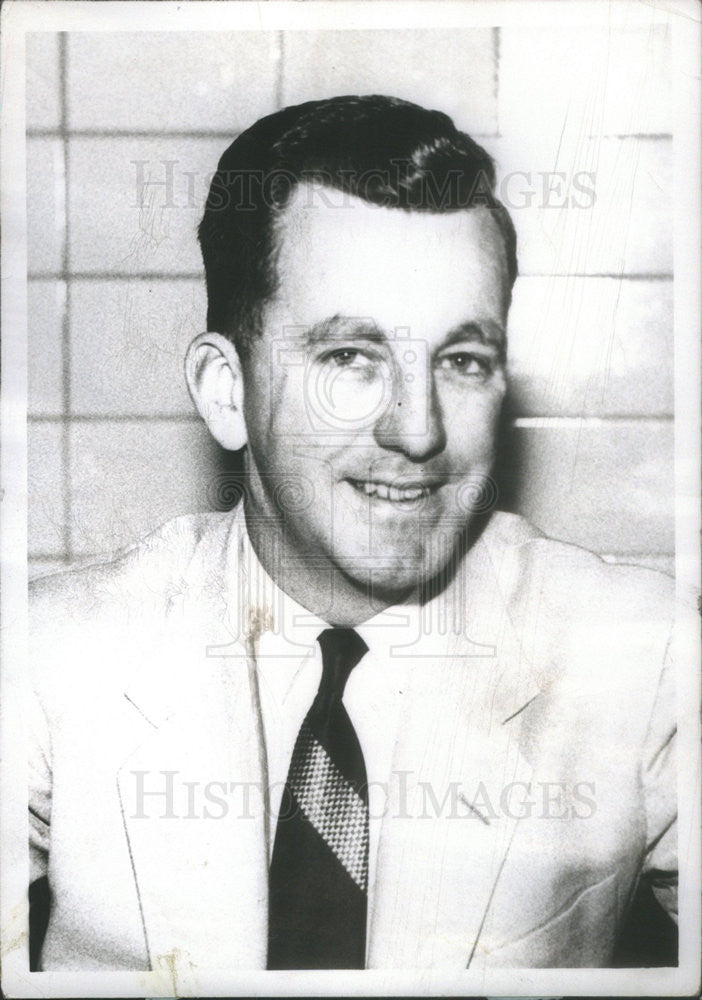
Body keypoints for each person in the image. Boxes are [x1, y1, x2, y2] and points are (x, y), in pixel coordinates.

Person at [28, 95, 677, 973]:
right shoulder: (47, 657)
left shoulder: (644, 654)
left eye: (462, 360)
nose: (419, 432)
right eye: (350, 358)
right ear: (227, 391)